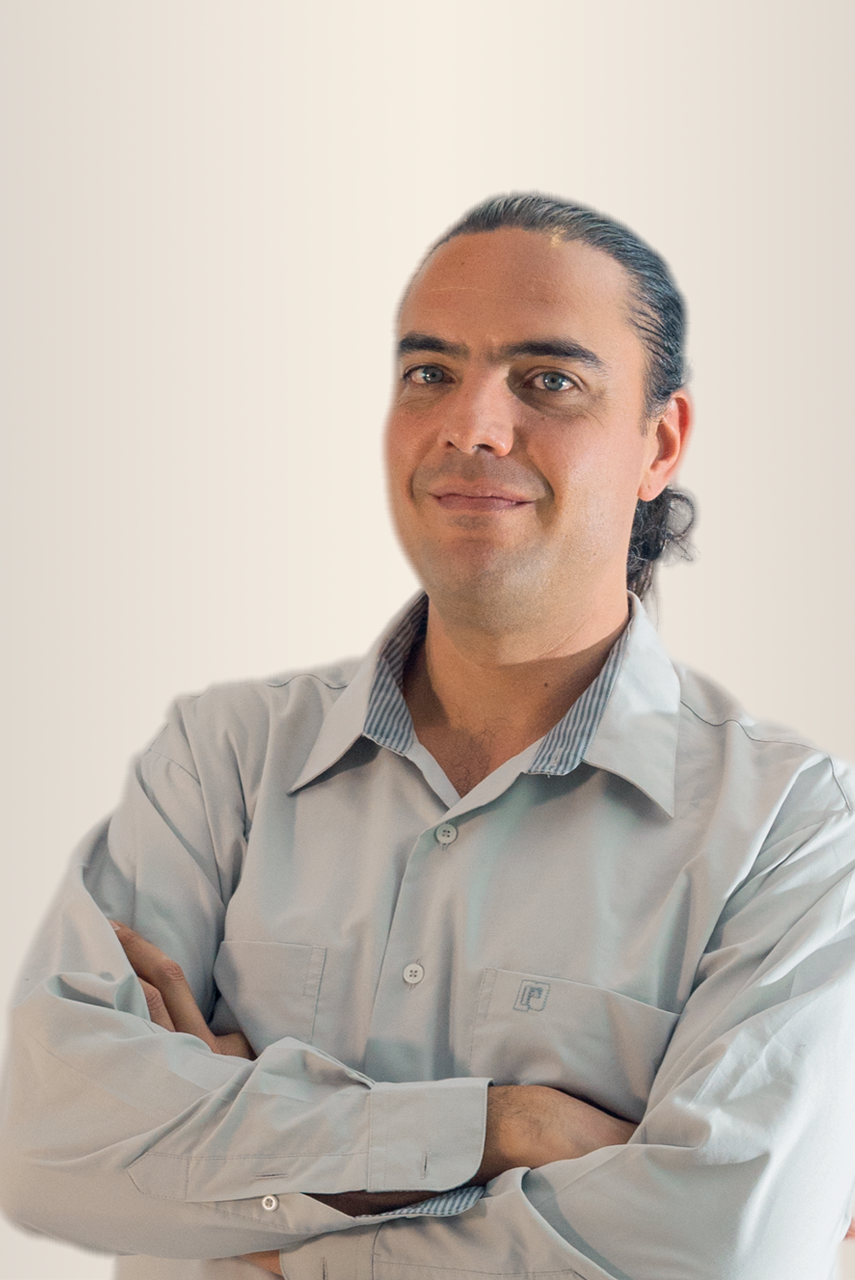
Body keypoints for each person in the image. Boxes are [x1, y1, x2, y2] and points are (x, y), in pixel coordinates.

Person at [2, 193, 855, 1280]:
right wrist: (508, 1129)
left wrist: (263, 1227)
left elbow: (727, 1247)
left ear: (661, 441)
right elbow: (46, 1146)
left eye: (548, 380)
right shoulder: (218, 762)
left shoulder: (794, 831)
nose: (474, 425)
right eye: (430, 372)